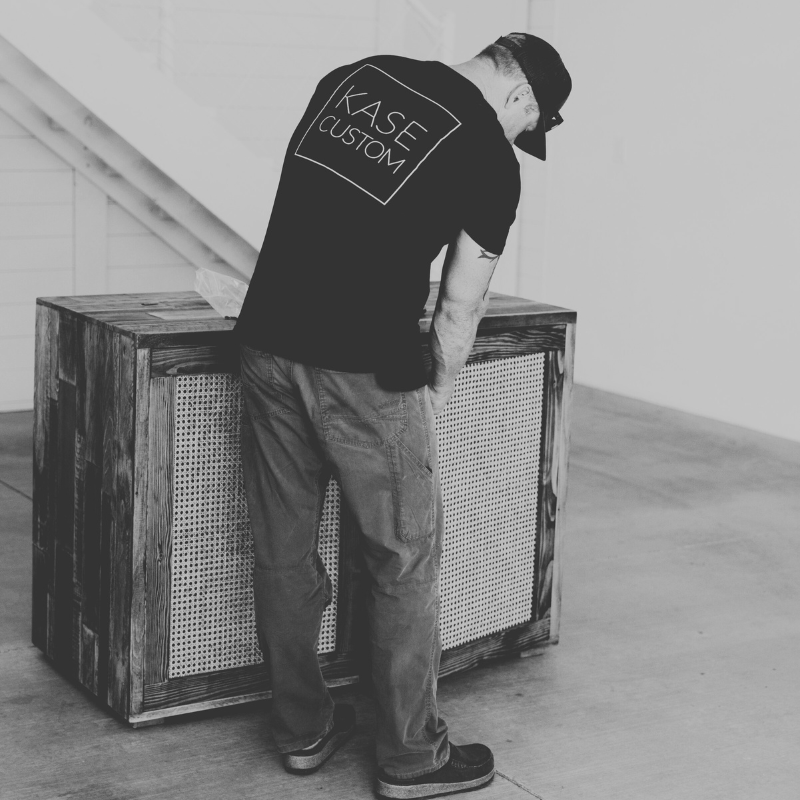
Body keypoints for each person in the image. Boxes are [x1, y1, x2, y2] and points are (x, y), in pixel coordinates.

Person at [234, 32, 571, 799]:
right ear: (522, 97)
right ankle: (413, 757)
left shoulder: (351, 78)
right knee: (404, 557)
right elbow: (459, 304)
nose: (518, 138)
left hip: (266, 341)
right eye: (527, 125)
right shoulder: (490, 156)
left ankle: (301, 730)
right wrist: (433, 398)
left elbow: (315, 217)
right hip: (365, 367)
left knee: (282, 547)